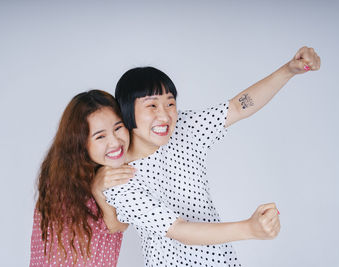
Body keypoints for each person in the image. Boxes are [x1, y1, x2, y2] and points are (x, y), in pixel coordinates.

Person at [97, 46, 321, 266]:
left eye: (170, 103)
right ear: (127, 111)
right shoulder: (118, 179)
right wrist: (250, 228)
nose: (164, 115)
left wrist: (288, 70)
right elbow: (179, 229)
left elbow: (237, 107)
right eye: (152, 105)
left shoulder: (184, 127)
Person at [30, 90, 135, 267]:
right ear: (81, 142)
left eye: (118, 128)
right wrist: (96, 188)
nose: (115, 141)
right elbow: (116, 225)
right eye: (100, 136)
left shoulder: (112, 171)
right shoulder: (63, 179)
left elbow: (120, 223)